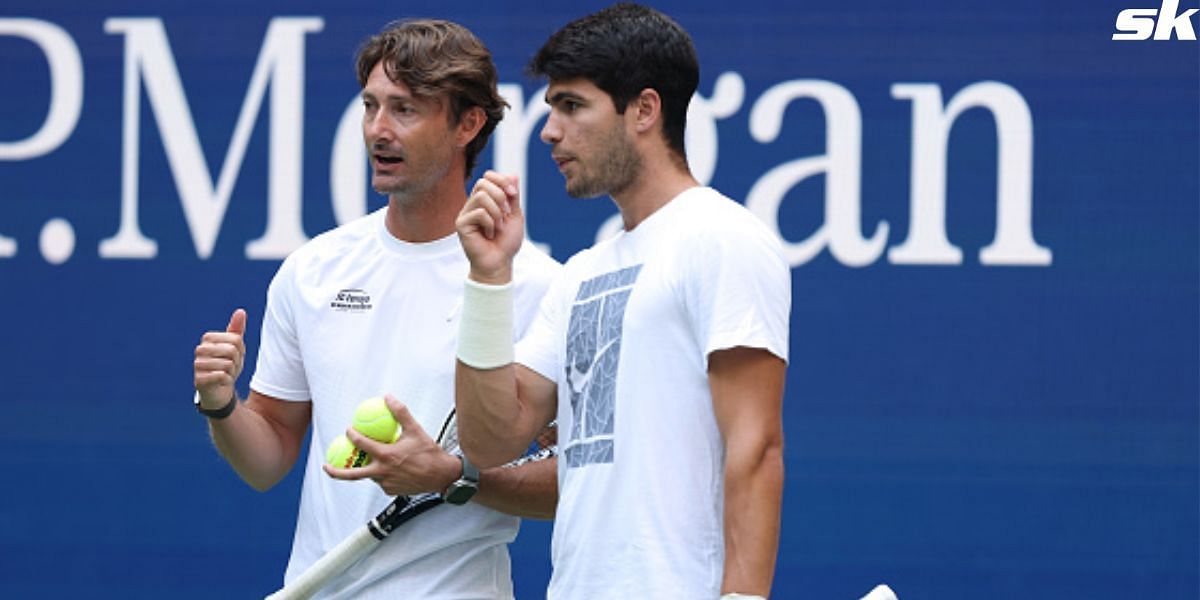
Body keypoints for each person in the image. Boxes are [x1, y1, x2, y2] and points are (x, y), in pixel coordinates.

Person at [192, 19, 561, 598]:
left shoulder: (538, 286)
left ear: (468, 123)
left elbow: (572, 481)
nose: (377, 131)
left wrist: (453, 477)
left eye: (405, 110)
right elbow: (266, 460)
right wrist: (220, 407)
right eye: (370, 106)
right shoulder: (313, 271)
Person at [454, 3, 790, 599]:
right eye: (551, 107)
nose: (549, 130)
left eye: (572, 106)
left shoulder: (723, 239)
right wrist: (488, 278)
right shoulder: (581, 273)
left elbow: (756, 446)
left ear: (644, 110)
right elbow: (490, 439)